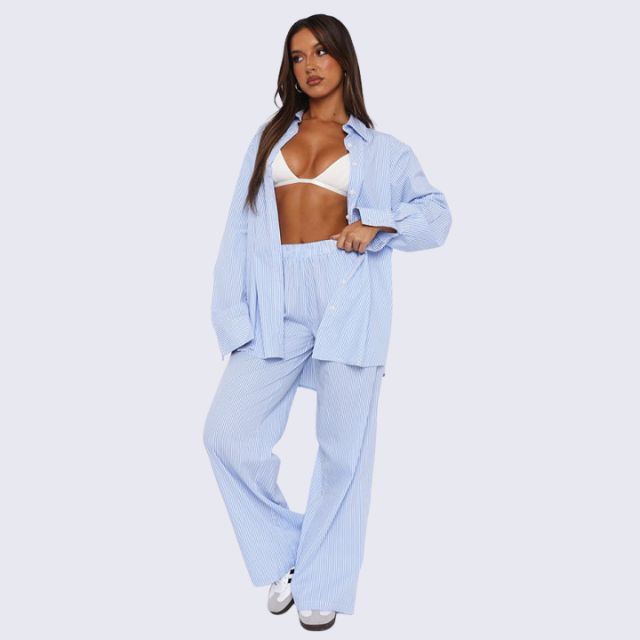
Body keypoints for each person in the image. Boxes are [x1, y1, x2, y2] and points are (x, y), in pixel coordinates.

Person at [202, 14, 452, 631]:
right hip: (274, 298)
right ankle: (289, 556)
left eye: (320, 52)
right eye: (297, 57)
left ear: (343, 58)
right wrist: (231, 318)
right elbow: (238, 229)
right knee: (226, 434)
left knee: (343, 452)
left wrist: (378, 224)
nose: (309, 66)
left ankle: (324, 580)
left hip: (347, 294)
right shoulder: (268, 139)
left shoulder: (384, 151)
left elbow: (437, 217)